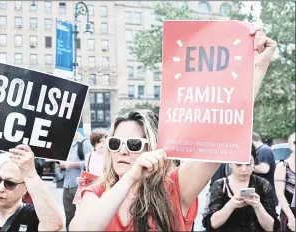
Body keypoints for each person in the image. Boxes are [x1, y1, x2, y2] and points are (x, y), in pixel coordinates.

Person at [69, 27, 277, 231]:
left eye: (133, 144)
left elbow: (222, 133)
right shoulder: (96, 191)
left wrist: (257, 68)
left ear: (152, 149)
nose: (122, 151)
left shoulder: (175, 188)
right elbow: (82, 228)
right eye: (116, 143)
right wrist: (131, 177)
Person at [202, 144, 280, 231]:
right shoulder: (220, 185)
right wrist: (231, 205)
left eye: (248, 164)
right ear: (230, 163)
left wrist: (258, 207)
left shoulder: (263, 185)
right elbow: (213, 224)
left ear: (254, 162)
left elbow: (271, 227)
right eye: (238, 164)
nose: (244, 169)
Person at [59, 131, 93, 231]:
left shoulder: (84, 143)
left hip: (80, 186)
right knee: (69, 216)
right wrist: (63, 165)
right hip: (67, 185)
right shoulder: (67, 144)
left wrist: (72, 164)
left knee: (83, 217)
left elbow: (90, 161)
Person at [274, 133, 295, 232]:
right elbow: (280, 194)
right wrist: (291, 217)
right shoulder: (283, 166)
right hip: (289, 212)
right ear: (290, 145)